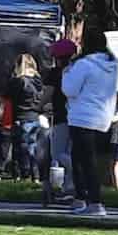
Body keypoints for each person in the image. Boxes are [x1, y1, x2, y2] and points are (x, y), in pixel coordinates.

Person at [61, 32, 118, 217]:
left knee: (81, 161)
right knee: (91, 160)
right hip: (103, 117)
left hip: (82, 117)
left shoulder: (84, 64)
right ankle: (87, 199)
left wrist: (66, 73)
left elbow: (69, 90)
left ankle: (91, 200)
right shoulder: (112, 65)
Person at [3, 53, 48, 182]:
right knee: (32, 148)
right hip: (35, 117)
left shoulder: (19, 81)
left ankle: (21, 175)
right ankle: (36, 176)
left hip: (21, 116)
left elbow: (7, 97)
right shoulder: (38, 82)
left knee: (19, 148)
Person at [45, 38, 79, 199]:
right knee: (70, 150)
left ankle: (78, 169)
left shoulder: (55, 73)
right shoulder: (78, 71)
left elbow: (47, 94)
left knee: (57, 153)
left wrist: (40, 106)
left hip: (61, 116)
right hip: (78, 117)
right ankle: (70, 187)